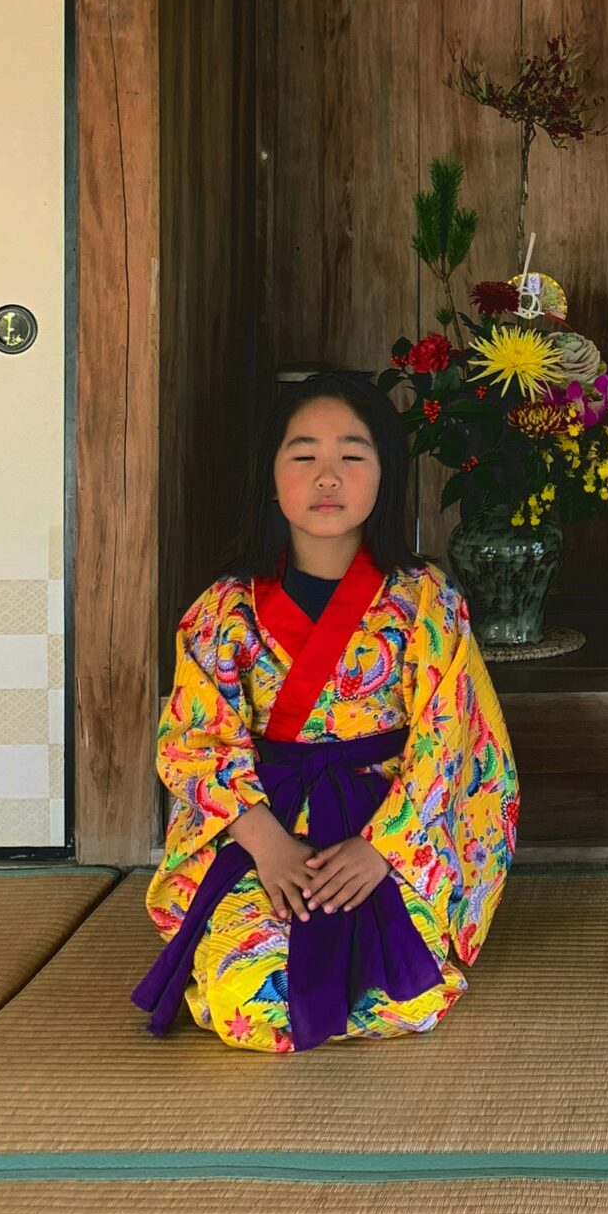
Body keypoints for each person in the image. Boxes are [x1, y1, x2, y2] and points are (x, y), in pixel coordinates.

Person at [131, 368, 517, 1053]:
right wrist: (271, 847)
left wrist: (379, 848)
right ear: (271, 477)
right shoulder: (223, 611)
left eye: (352, 456)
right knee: (247, 997)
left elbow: (450, 741)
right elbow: (195, 743)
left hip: (385, 830)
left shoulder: (426, 602)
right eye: (304, 455)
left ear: (385, 474)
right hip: (264, 829)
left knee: (406, 996)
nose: (328, 477)